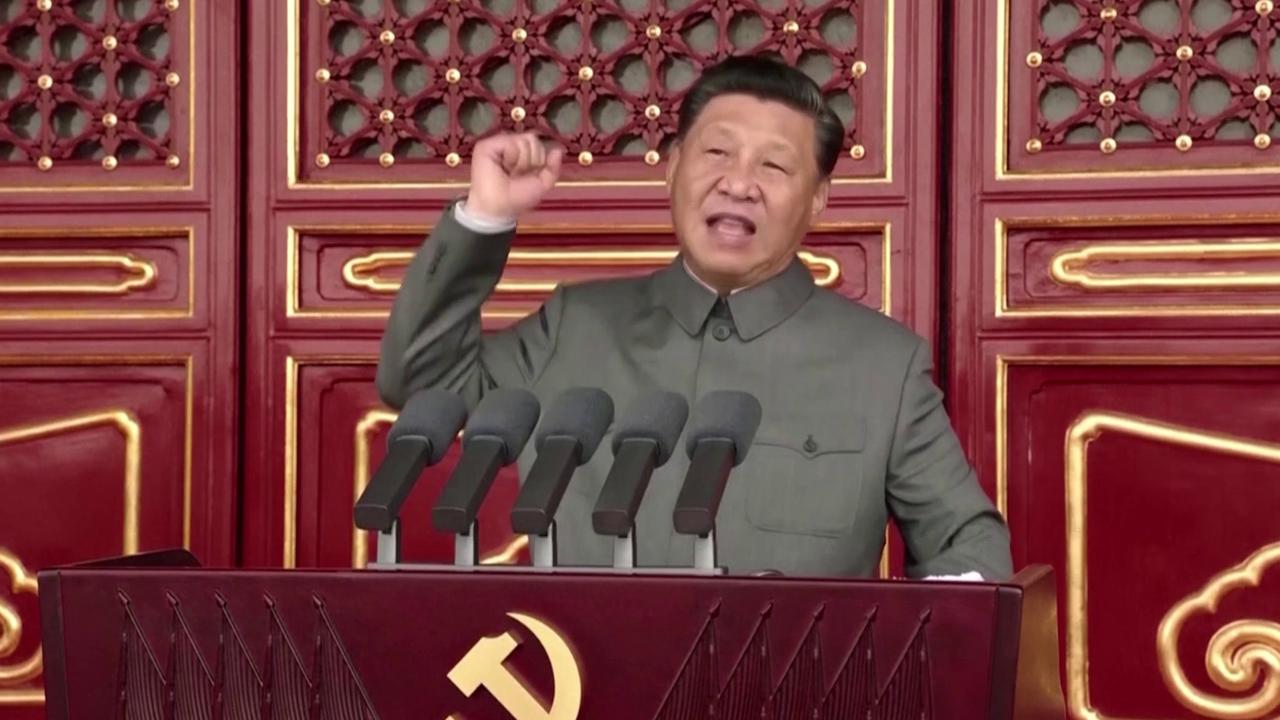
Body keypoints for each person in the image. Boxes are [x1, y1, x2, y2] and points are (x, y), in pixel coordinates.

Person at [377, 55, 1012, 580]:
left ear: (817, 199)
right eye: (717, 153)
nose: (739, 183)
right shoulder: (579, 323)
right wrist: (484, 218)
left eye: (773, 165)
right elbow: (422, 384)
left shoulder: (882, 365)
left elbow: (968, 544)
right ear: (675, 167)